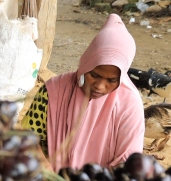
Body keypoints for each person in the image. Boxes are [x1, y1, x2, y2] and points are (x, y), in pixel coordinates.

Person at [22, 13, 145, 171]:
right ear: (86, 64)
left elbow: (129, 163)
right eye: (94, 75)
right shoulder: (52, 91)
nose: (99, 86)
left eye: (111, 80)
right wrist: (47, 172)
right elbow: (28, 137)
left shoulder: (130, 104)